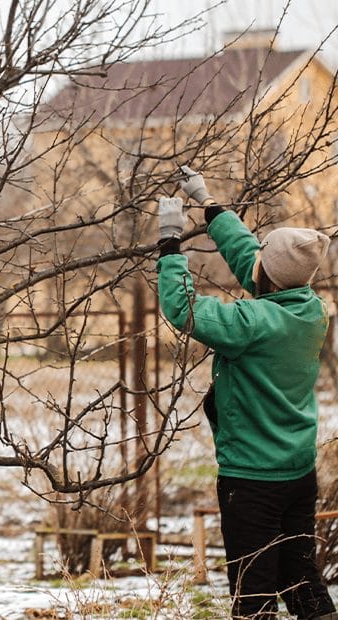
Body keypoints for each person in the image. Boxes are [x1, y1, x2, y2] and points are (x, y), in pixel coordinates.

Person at [156, 165, 337, 619]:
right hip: (296, 473)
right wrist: (210, 204)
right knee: (300, 581)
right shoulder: (311, 310)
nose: (253, 262)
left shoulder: (251, 325)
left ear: (269, 279)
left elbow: (183, 309)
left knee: (252, 596)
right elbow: (253, 260)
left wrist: (170, 245)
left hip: (252, 480)